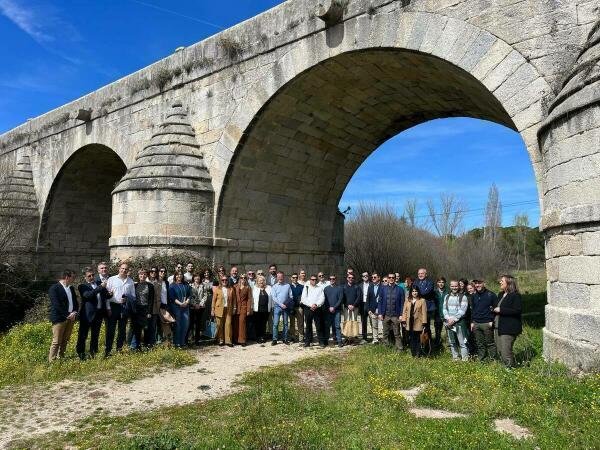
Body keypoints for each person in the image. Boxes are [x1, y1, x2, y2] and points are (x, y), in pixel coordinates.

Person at [77, 267, 110, 360]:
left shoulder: (98, 284)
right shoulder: (82, 286)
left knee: (95, 335)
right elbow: (88, 295)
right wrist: (100, 287)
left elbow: (105, 295)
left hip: (98, 314)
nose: (91, 277)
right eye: (89, 276)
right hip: (87, 315)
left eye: (93, 275)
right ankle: (81, 354)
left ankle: (93, 353)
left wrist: (110, 294)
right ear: (85, 277)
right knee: (83, 336)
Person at [105, 263, 135, 357]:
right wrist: (108, 308)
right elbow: (106, 295)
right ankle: (108, 351)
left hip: (124, 307)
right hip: (113, 306)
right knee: (111, 330)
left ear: (128, 270)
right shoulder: (112, 279)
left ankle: (119, 349)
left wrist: (127, 299)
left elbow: (133, 296)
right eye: (122, 268)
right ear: (119, 269)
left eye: (126, 269)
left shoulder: (130, 281)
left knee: (122, 330)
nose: (124, 270)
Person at [48, 269, 79, 362]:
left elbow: (75, 302)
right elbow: (56, 304)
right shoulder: (54, 288)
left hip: (71, 317)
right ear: (67, 277)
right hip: (59, 318)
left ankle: (61, 358)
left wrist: (74, 312)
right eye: (73, 277)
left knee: (65, 340)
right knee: (56, 341)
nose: (74, 279)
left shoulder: (71, 288)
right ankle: (52, 361)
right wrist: (67, 315)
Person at [493, 275, 523, 368]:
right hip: (498, 326)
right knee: (500, 350)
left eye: (502, 281)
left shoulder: (515, 295)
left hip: (509, 328)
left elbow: (517, 310)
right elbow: (497, 307)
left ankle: (510, 370)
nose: (500, 282)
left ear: (509, 283)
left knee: (506, 351)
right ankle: (505, 368)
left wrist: (501, 310)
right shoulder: (500, 294)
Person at [471, 279, 498, 361]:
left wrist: (492, 321)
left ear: (484, 284)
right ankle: (482, 358)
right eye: (476, 283)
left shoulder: (491, 295)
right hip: (476, 323)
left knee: (490, 343)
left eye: (479, 283)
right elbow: (473, 310)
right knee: (479, 343)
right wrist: (472, 322)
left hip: (487, 323)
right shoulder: (474, 296)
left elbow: (496, 309)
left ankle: (493, 359)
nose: (477, 285)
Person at [378, 273, 405, 351]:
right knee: (385, 333)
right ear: (388, 278)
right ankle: (386, 348)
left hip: (395, 315)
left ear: (395, 278)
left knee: (397, 333)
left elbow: (402, 303)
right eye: (389, 277)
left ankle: (399, 348)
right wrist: (380, 313)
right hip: (385, 315)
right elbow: (380, 302)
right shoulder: (383, 289)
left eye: (393, 277)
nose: (391, 279)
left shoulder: (400, 289)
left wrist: (401, 314)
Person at [443, 280, 469, 361]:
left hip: (459, 323)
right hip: (449, 323)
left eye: (456, 286)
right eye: (452, 286)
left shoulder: (463, 297)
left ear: (459, 286)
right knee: (452, 342)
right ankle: (455, 359)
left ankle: (465, 360)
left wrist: (453, 320)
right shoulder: (446, 296)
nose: (454, 288)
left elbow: (462, 311)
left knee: (462, 343)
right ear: (450, 286)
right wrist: (448, 318)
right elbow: (444, 309)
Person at [401, 286, 428, 357]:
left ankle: (417, 353)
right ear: (411, 292)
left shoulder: (422, 300)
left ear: (418, 292)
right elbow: (404, 311)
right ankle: (413, 353)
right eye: (413, 291)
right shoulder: (407, 300)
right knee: (411, 338)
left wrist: (424, 323)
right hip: (409, 322)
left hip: (418, 322)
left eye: (416, 291)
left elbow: (424, 312)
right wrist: (403, 321)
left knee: (417, 339)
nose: (414, 293)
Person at [131, 269, 154, 351]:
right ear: (138, 275)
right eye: (141, 274)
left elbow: (151, 300)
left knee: (147, 328)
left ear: (146, 276)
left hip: (145, 309)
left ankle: (147, 345)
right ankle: (137, 346)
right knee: (137, 329)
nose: (143, 276)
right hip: (137, 309)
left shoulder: (150, 286)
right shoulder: (135, 285)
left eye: (144, 274)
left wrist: (149, 312)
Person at [300, 275, 326, 347]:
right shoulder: (306, 287)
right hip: (308, 309)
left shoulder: (319, 288)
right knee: (308, 326)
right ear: (310, 280)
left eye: (315, 279)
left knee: (319, 325)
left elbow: (322, 298)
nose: (314, 281)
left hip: (317, 309)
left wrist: (316, 304)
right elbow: (303, 298)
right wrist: (311, 305)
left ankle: (321, 341)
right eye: (312, 279)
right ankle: (307, 342)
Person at [212, 274, 237, 346]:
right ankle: (220, 340)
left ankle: (228, 341)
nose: (224, 281)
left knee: (228, 324)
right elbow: (214, 300)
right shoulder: (217, 289)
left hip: (228, 309)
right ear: (221, 281)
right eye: (223, 280)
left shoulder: (231, 289)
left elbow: (234, 300)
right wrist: (212, 309)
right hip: (219, 309)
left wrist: (234, 308)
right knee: (219, 325)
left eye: (226, 280)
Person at [413, 268, 437, 342]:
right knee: (417, 326)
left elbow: (427, 292)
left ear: (426, 274)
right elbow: (413, 292)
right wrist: (421, 292)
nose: (420, 275)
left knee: (426, 326)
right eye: (419, 274)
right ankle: (419, 342)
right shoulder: (415, 282)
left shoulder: (430, 282)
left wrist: (418, 293)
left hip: (427, 308)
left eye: (422, 273)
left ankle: (428, 344)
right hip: (417, 307)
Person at [271, 271, 293, 345]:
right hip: (277, 306)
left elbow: (291, 296)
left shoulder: (288, 285)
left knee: (285, 323)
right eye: (279, 276)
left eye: (281, 276)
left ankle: (285, 339)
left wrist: (286, 304)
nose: (280, 278)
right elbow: (274, 297)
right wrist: (281, 304)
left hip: (286, 307)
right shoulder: (274, 286)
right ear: (277, 277)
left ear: (283, 277)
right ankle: (274, 339)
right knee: (275, 323)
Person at [169, 272, 191, 348]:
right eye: (177, 275)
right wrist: (180, 304)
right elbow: (172, 297)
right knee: (177, 325)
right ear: (175, 276)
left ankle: (182, 342)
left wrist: (187, 302)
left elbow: (189, 295)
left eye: (181, 274)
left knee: (185, 325)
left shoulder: (186, 285)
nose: (179, 276)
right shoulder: (172, 286)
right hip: (176, 307)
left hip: (185, 307)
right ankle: (176, 343)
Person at [324, 275, 344, 347]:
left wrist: (334, 307)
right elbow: (325, 300)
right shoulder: (326, 289)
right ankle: (326, 340)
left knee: (337, 326)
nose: (332, 280)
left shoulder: (339, 288)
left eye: (333, 279)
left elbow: (340, 299)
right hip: (328, 310)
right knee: (327, 326)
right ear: (329, 280)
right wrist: (329, 307)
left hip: (337, 310)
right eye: (330, 279)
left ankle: (339, 341)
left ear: (335, 279)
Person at [251, 275, 273, 343]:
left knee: (264, 323)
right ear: (257, 281)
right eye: (260, 280)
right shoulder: (254, 288)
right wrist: (251, 307)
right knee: (258, 323)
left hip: (266, 309)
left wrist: (272, 307)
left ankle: (262, 336)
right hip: (257, 309)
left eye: (262, 280)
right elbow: (252, 299)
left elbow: (271, 298)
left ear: (264, 281)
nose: (261, 282)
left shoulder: (269, 288)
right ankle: (258, 337)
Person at [233, 274, 252, 346]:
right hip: (236, 307)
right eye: (241, 277)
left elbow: (249, 299)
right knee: (235, 323)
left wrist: (248, 310)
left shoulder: (248, 288)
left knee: (242, 323)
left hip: (243, 307)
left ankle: (242, 340)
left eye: (244, 278)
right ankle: (235, 339)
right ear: (239, 279)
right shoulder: (235, 287)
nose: (243, 279)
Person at [342, 273, 360, 344]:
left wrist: (353, 305)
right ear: (347, 278)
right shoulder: (344, 287)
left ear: (353, 279)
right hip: (347, 308)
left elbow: (359, 297)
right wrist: (347, 305)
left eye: (352, 278)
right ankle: (347, 338)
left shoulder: (356, 287)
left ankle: (353, 338)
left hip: (355, 308)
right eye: (349, 277)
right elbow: (343, 298)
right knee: (346, 322)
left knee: (354, 322)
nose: (351, 279)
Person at [146, 267, 162, 347]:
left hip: (155, 308)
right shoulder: (145, 281)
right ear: (149, 272)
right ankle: (145, 343)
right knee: (146, 327)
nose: (153, 273)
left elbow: (159, 296)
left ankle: (151, 344)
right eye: (152, 271)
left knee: (153, 327)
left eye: (155, 271)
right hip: (146, 308)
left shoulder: (158, 282)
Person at [188, 273, 205, 346]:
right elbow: (189, 296)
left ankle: (197, 340)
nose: (197, 278)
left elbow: (205, 295)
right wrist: (194, 304)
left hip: (200, 308)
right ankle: (190, 339)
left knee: (198, 324)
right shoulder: (190, 286)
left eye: (198, 277)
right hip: (192, 307)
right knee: (191, 324)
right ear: (193, 278)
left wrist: (201, 304)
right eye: (195, 277)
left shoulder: (202, 286)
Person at [157, 267, 172, 345]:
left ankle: (165, 342)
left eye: (164, 271)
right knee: (158, 324)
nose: (163, 272)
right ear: (158, 272)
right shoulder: (156, 281)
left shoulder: (166, 282)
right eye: (161, 271)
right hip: (158, 306)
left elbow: (167, 295)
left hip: (165, 306)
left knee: (165, 323)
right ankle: (158, 342)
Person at [289, 273, 305, 344]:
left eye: (296, 277)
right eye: (293, 277)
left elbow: (304, 296)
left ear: (298, 278)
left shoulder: (301, 286)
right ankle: (292, 337)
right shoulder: (288, 286)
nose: (295, 279)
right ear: (291, 278)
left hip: (299, 307)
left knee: (300, 323)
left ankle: (301, 337)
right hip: (291, 307)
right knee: (292, 323)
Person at [367, 272, 383, 343]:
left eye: (375, 277)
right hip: (372, 310)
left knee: (383, 326)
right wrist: (369, 310)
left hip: (381, 310)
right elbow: (368, 299)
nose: (373, 278)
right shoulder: (370, 287)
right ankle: (375, 339)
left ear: (379, 278)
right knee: (374, 325)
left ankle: (385, 339)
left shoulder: (383, 287)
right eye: (372, 277)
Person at [434, 277, 449, 348]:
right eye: (439, 282)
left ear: (445, 283)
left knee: (448, 331)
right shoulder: (434, 292)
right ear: (437, 283)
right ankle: (437, 344)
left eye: (442, 282)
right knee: (437, 331)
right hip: (437, 315)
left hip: (447, 315)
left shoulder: (448, 292)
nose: (441, 284)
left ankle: (449, 345)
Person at [358, 272, 371, 343]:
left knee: (373, 321)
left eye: (366, 275)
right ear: (362, 277)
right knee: (364, 322)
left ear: (368, 276)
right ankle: (364, 338)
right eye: (364, 276)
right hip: (362, 304)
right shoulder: (359, 285)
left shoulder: (372, 284)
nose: (365, 277)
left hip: (370, 304)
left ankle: (375, 338)